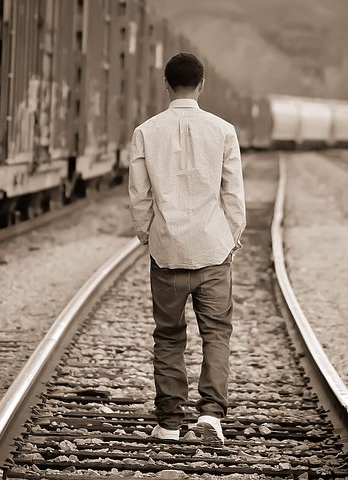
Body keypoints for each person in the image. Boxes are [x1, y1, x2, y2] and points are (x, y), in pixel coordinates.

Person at [128, 52, 246, 445]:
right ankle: (211, 415)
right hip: (213, 251)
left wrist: (149, 237)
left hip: (167, 255)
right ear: (201, 84)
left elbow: (139, 196)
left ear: (166, 84)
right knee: (216, 334)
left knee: (168, 336)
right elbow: (233, 194)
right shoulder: (224, 130)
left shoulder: (145, 132)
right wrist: (231, 237)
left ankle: (169, 423)